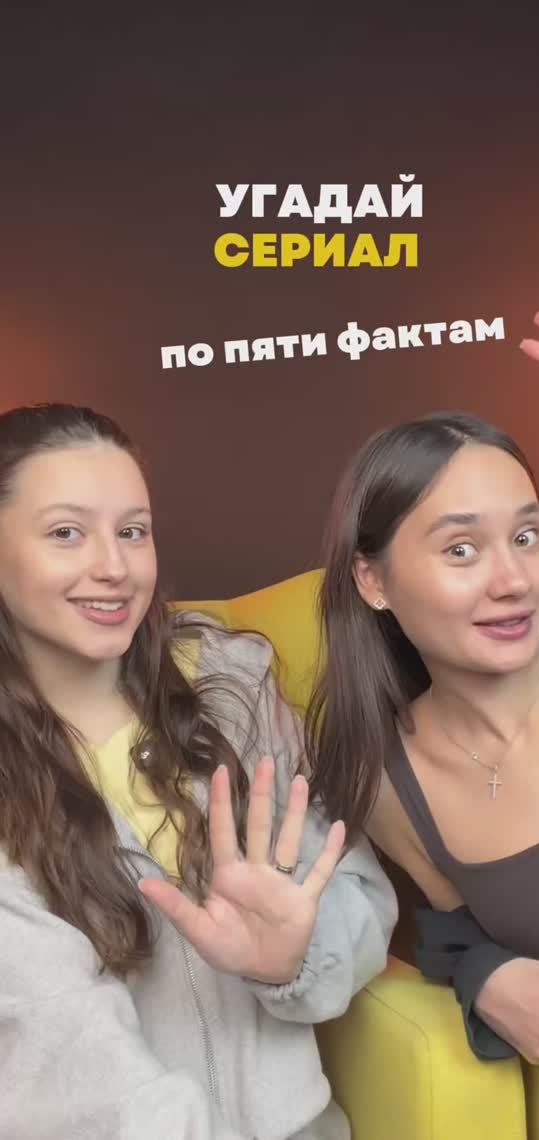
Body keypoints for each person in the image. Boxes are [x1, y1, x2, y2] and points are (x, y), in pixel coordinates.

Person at [0, 403, 398, 1140]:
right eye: (66, 533)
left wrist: (290, 960)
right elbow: (58, 1043)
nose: (113, 567)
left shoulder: (228, 687)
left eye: (133, 531)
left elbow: (357, 893)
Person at [306, 283, 539, 1067]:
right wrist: (488, 976)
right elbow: (455, 931)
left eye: (527, 536)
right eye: (461, 549)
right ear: (373, 581)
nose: (513, 580)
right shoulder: (382, 779)